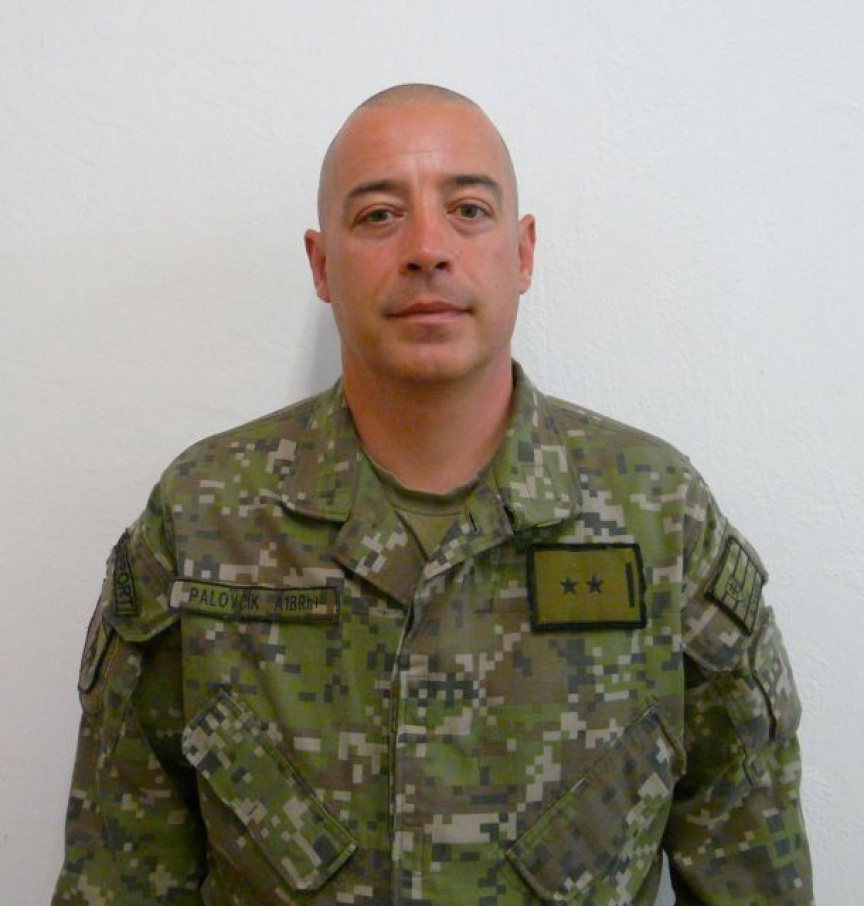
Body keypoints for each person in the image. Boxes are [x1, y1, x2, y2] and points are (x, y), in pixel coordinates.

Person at [53, 84, 813, 905]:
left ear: (523, 253)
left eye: (469, 211)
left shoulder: (659, 519)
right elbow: (118, 877)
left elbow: (752, 876)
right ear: (321, 265)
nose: (426, 248)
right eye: (379, 215)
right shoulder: (206, 521)